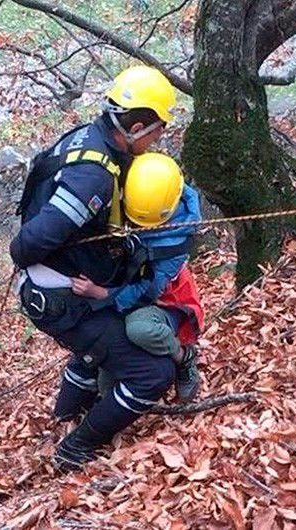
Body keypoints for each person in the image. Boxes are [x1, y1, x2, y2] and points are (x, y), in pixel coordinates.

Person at [10, 65, 180, 472]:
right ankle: (75, 448)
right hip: (58, 296)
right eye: (157, 129)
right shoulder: (93, 176)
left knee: (105, 345)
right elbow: (28, 244)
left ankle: (64, 414)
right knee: (152, 374)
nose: (158, 138)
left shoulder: (90, 138)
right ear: (136, 125)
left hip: (62, 285)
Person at [70, 153, 205, 403]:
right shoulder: (146, 179)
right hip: (123, 285)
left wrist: (102, 294)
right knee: (107, 382)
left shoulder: (175, 240)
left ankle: (183, 357)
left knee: (139, 329)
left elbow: (148, 292)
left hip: (164, 302)